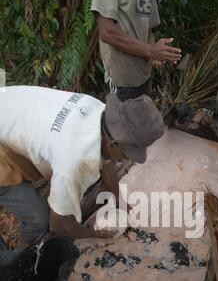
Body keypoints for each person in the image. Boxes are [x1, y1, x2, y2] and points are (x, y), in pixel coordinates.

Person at [0, 86, 165, 248]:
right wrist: (95, 238)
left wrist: (119, 200)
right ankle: (20, 263)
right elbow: (58, 224)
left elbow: (104, 159)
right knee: (38, 220)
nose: (127, 158)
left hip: (9, 105)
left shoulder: (98, 111)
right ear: (114, 143)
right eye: (127, 154)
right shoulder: (73, 164)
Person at [91, 0, 182, 101]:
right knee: (122, 118)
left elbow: (148, 29)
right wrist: (150, 50)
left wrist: (155, 54)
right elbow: (107, 32)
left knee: (140, 118)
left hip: (143, 76)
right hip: (122, 80)